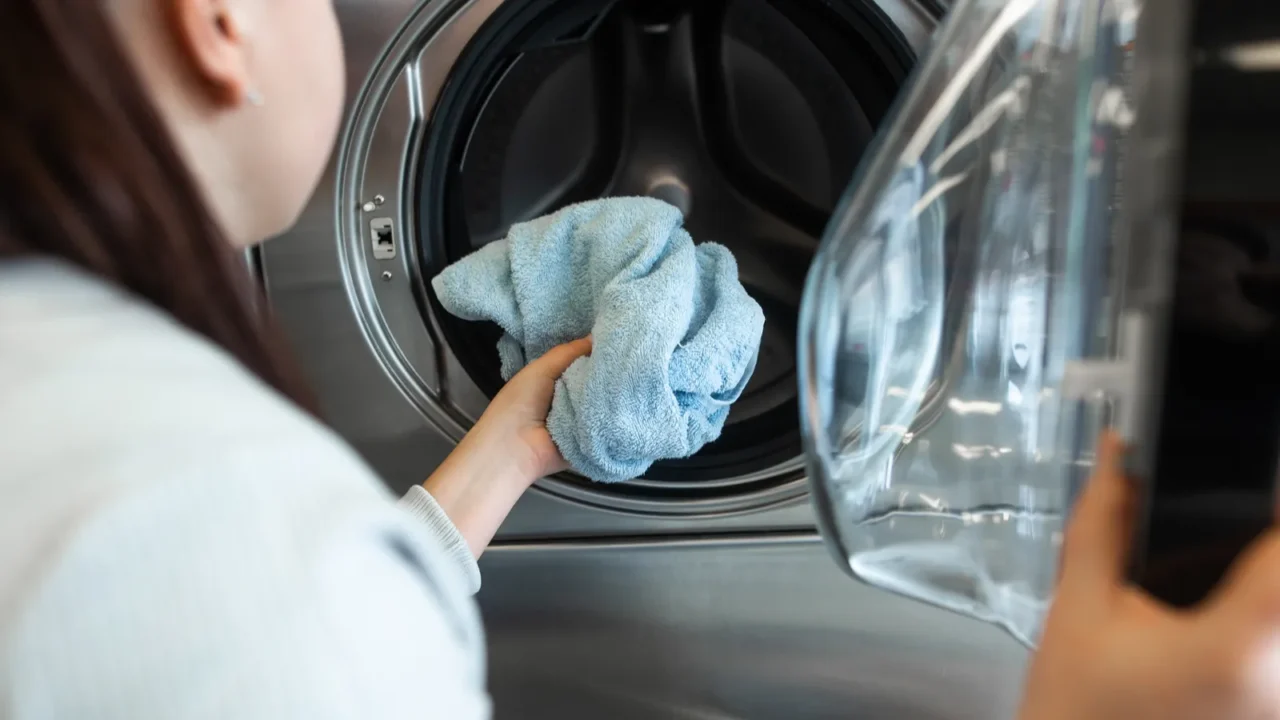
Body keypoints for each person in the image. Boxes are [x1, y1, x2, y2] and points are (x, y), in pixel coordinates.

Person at [0, 2, 1277, 719]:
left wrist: (511, 447)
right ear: (215, 24)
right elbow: (286, 628)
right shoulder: (231, 537)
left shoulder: (64, 396)